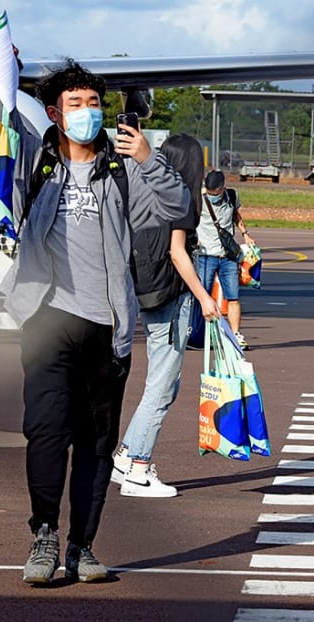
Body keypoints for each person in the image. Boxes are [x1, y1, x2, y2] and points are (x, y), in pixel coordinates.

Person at [0, 60, 190, 584]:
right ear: (54, 113)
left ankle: (82, 546)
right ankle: (44, 535)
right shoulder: (34, 160)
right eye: (76, 104)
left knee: (96, 443)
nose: (88, 113)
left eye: (94, 103)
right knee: (44, 433)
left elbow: (179, 206)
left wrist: (149, 160)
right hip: (46, 318)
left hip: (107, 326)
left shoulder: (122, 167)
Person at [111, 134, 221, 497]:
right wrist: (204, 297)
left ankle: (126, 455)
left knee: (164, 384)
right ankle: (138, 469)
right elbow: (178, 252)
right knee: (161, 386)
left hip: (145, 291)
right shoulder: (179, 196)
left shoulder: (143, 189)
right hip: (172, 296)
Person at [195, 170, 255, 349]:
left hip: (228, 256)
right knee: (203, 294)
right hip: (206, 255)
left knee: (233, 296)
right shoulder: (199, 200)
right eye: (210, 192)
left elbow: (236, 215)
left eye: (216, 193)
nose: (213, 196)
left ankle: (236, 334)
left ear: (223, 188)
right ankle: (201, 333)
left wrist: (245, 234)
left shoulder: (232, 196)